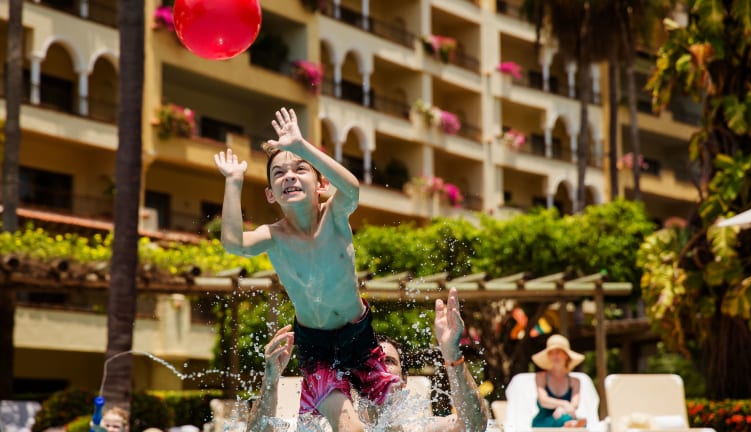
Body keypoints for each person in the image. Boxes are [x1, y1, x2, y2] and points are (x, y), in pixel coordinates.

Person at [214, 107, 399, 432]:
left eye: (300, 169)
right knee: (351, 428)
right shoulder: (274, 236)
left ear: (322, 184)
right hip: (315, 346)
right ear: (270, 194)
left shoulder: (335, 216)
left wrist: (301, 145)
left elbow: (352, 189)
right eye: (278, 174)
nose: (289, 176)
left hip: (359, 336)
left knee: (393, 423)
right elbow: (233, 243)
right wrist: (233, 182)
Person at [247, 288, 490, 432]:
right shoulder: (322, 424)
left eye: (389, 362)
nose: (378, 369)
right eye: (370, 363)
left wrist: (451, 353)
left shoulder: (414, 428)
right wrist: (271, 380)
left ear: (403, 381)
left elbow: (474, 425)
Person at [530, 334, 587, 428]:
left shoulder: (575, 382)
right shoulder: (541, 377)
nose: (554, 356)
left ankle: (570, 425)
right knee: (568, 421)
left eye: (558, 352)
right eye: (551, 353)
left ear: (566, 355)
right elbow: (543, 400)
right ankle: (570, 425)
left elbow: (574, 405)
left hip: (566, 416)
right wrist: (564, 404)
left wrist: (563, 410)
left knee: (572, 420)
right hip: (544, 422)